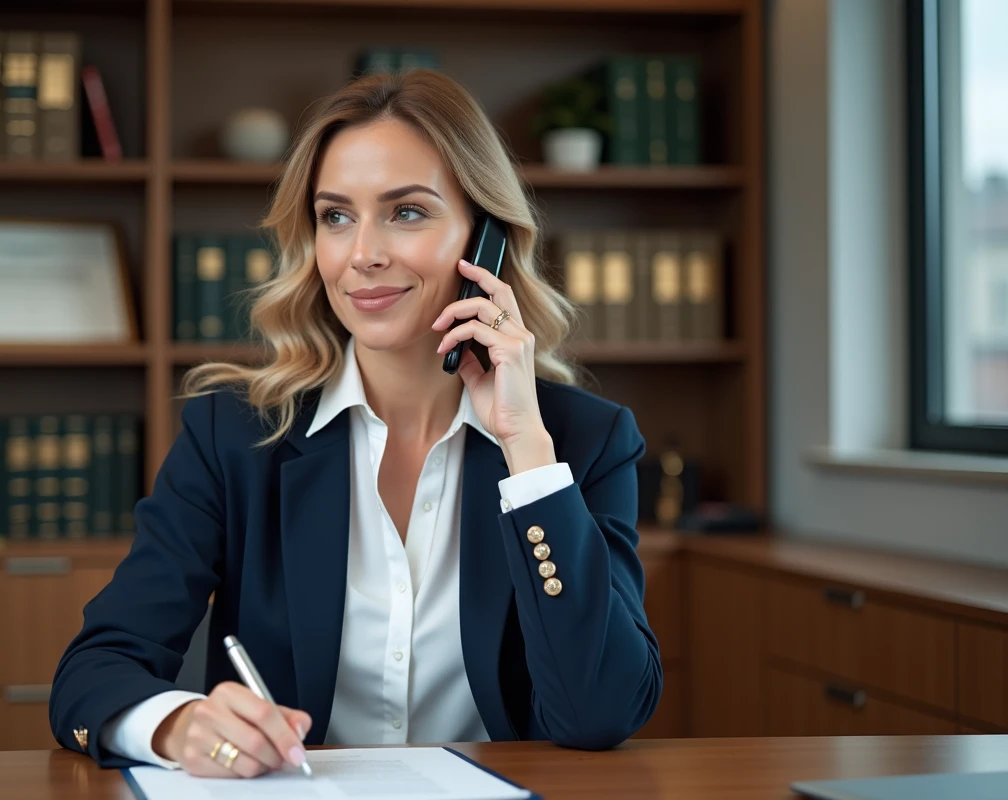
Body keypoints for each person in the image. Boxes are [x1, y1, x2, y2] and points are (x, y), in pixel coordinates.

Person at [49, 68, 662, 778]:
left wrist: (525, 450)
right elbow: (93, 672)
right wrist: (177, 724)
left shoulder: (580, 445)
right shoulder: (235, 438)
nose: (363, 254)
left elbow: (601, 713)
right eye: (336, 216)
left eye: (407, 212)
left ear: (486, 238)